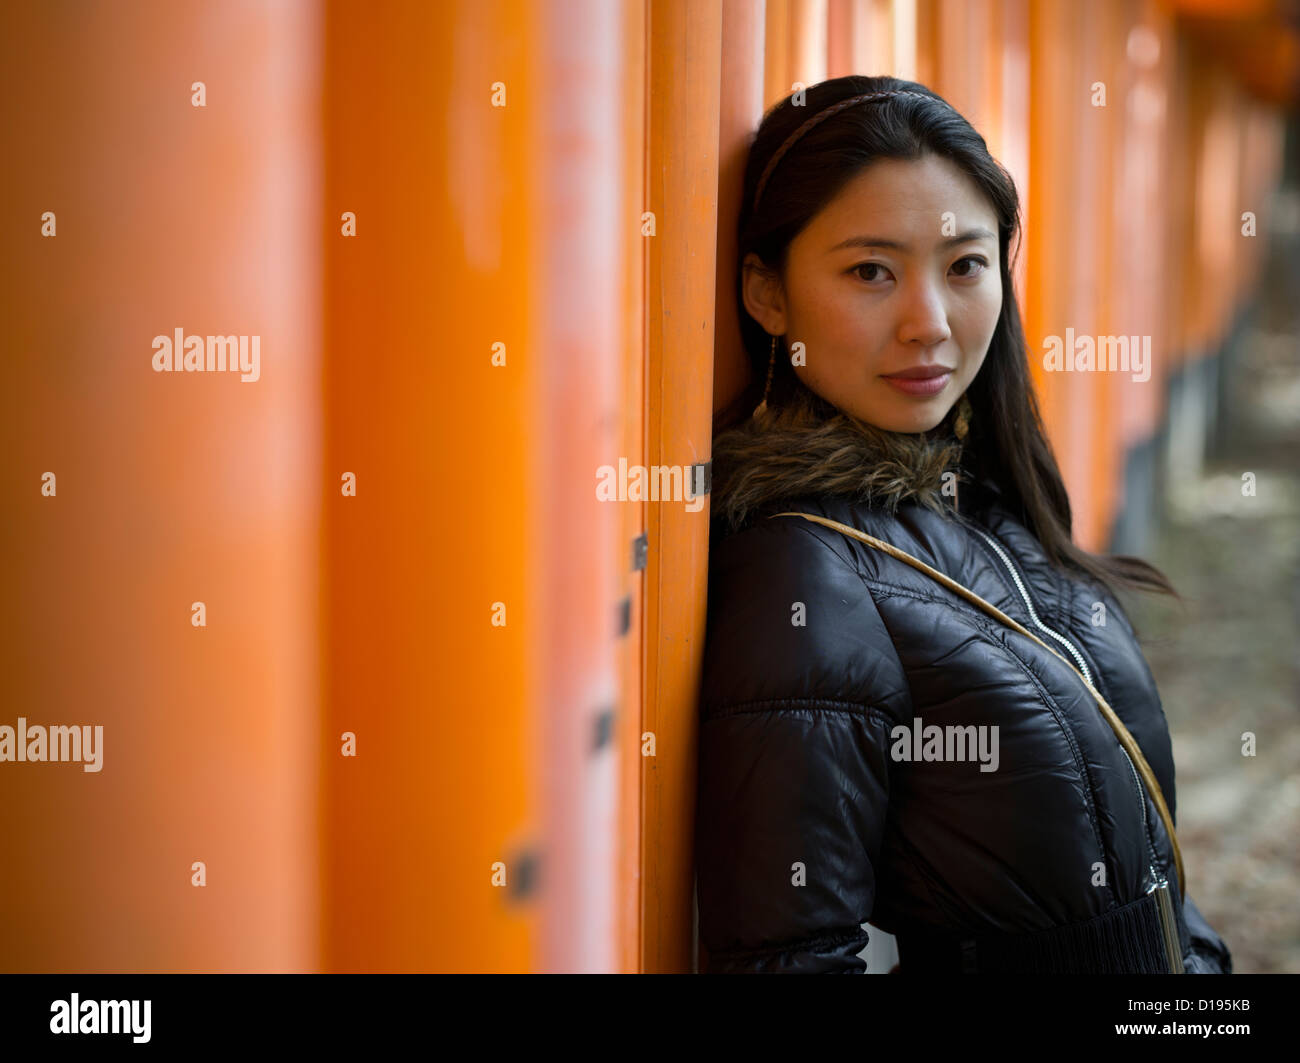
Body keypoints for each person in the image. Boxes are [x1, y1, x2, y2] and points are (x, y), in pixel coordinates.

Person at [695, 74, 1233, 974]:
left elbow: (1148, 872)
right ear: (767, 293)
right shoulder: (802, 574)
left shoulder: (981, 499)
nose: (929, 323)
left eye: (964, 266)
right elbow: (788, 958)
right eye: (870, 271)